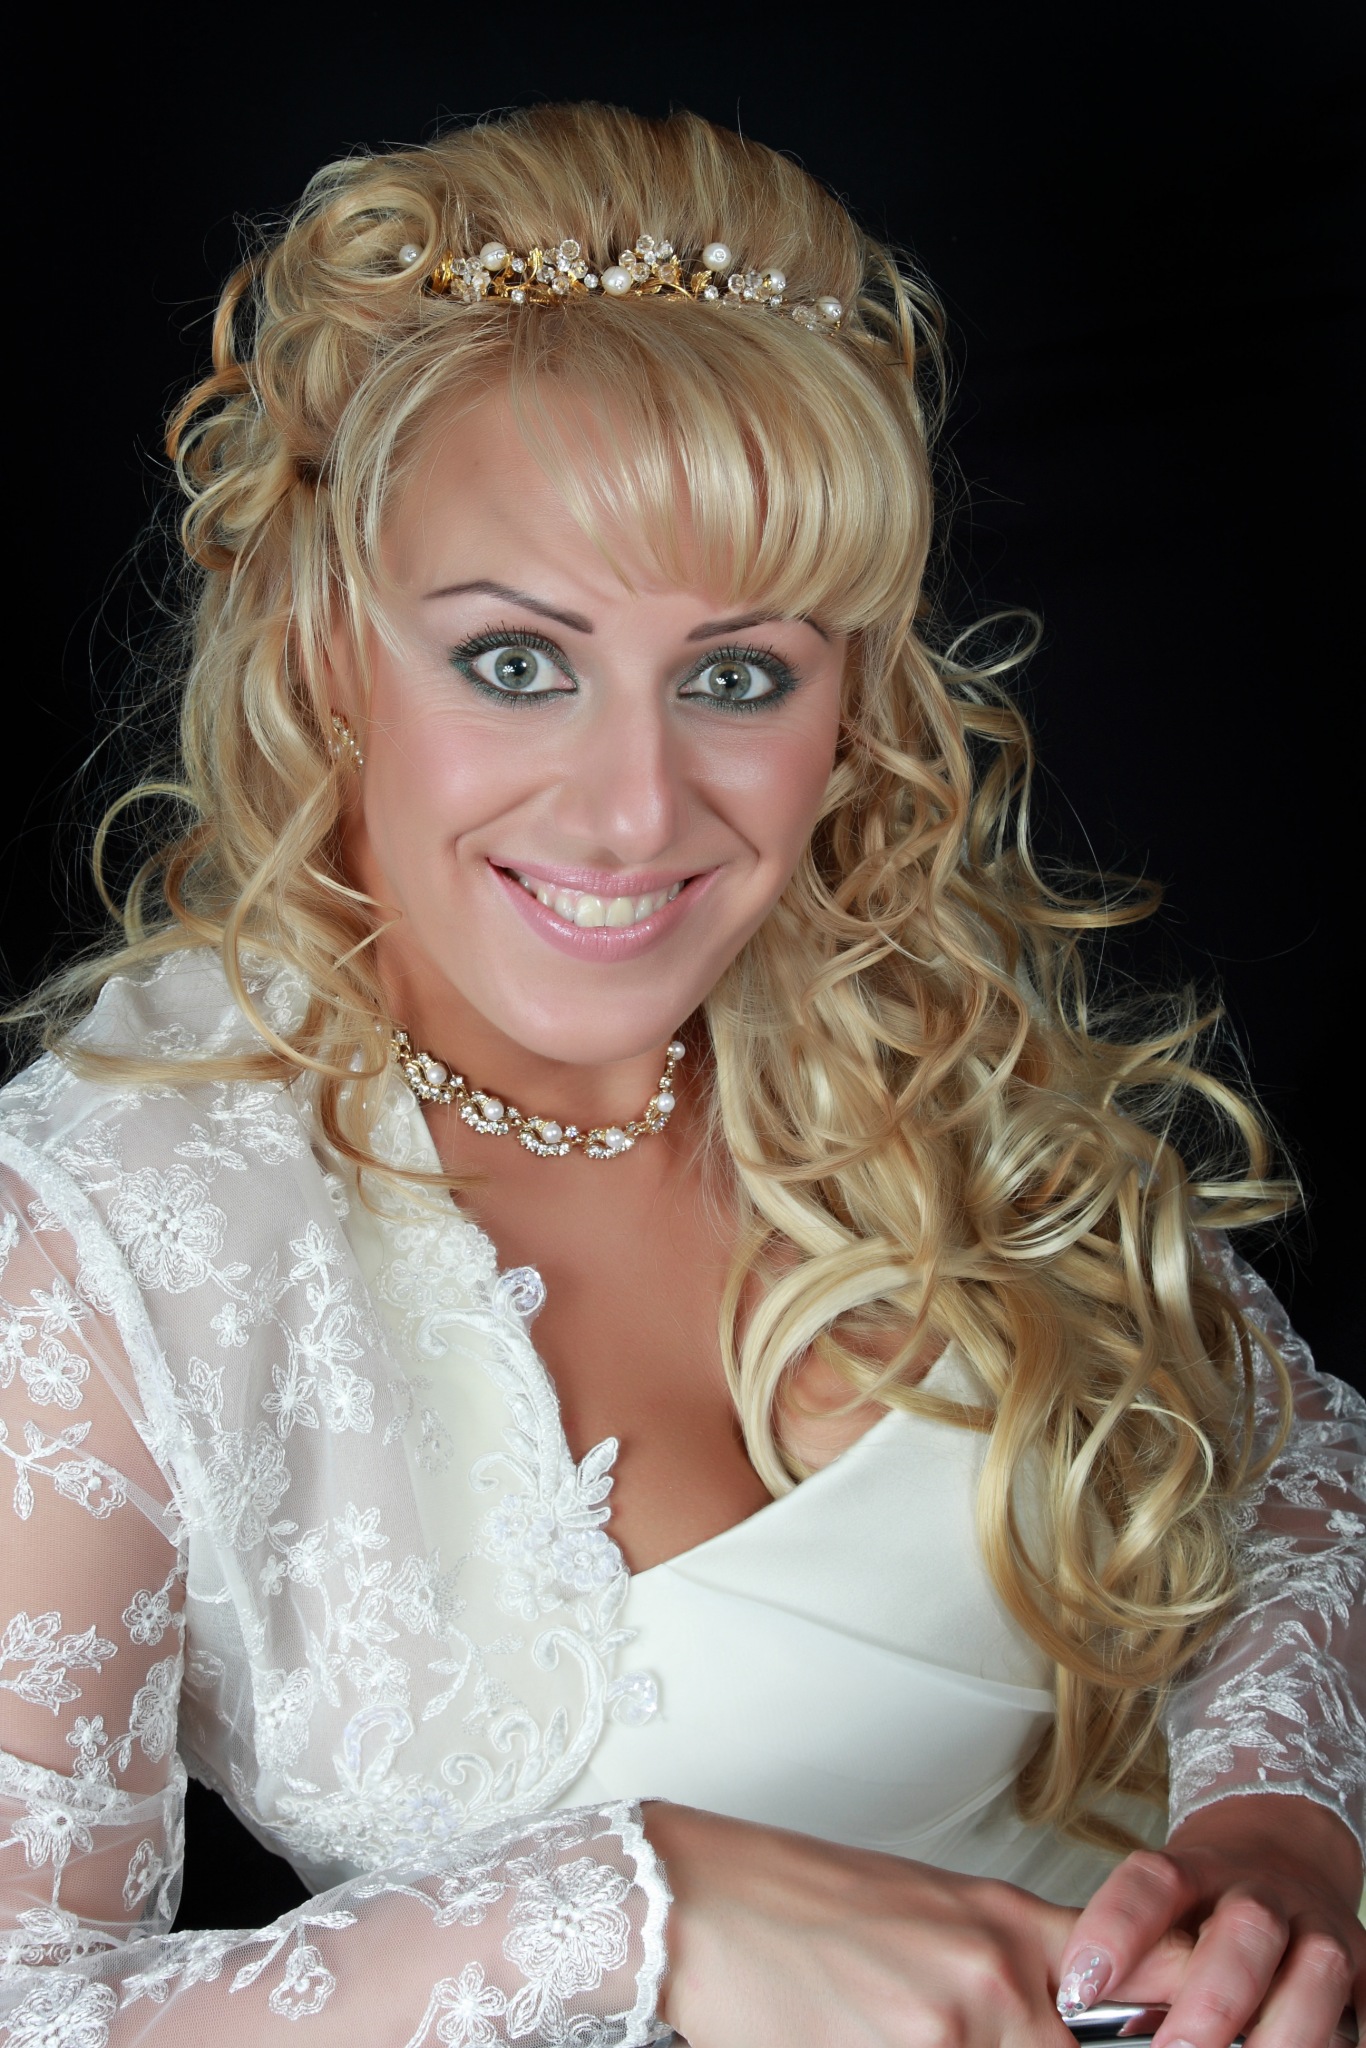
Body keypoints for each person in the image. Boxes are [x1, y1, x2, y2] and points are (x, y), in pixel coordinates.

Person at [0, 101, 1361, 2048]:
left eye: (735, 676)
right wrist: (626, 1911)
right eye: (514, 661)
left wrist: (1276, 1832)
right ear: (322, 646)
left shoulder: (891, 1017)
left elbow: (1295, 1474)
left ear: (847, 698)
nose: (635, 812)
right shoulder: (104, 1237)